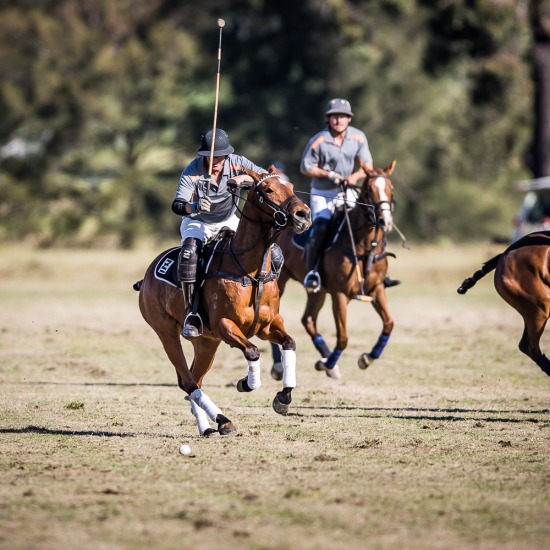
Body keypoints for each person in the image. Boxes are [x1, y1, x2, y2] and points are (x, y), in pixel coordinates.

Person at [171, 128, 268, 338]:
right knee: (189, 255)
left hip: (229, 220)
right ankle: (192, 314)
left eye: (220, 156)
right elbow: (177, 205)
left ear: (227, 153)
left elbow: (266, 178)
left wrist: (243, 179)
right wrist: (194, 206)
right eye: (210, 156)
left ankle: (262, 302)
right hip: (197, 223)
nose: (215, 160)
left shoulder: (237, 162)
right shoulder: (193, 170)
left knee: (263, 249)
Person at [300, 98, 401, 293]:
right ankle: (312, 272)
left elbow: (368, 167)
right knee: (321, 227)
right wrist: (329, 174)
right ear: (328, 119)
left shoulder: (358, 138)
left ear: (349, 119)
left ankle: (379, 272)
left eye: (342, 116)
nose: (338, 120)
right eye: (334, 117)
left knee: (370, 221)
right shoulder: (319, 140)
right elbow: (306, 167)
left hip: (347, 190)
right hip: (323, 193)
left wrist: (353, 177)